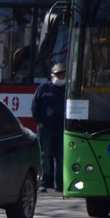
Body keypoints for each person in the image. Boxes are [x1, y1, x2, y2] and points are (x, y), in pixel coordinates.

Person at [32, 62, 66, 192]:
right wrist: (39, 122)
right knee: (44, 156)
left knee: (61, 157)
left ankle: (60, 184)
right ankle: (45, 183)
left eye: (63, 75)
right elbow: (35, 106)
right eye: (59, 74)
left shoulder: (68, 89)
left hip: (62, 130)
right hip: (45, 129)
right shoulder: (43, 88)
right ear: (52, 75)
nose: (61, 77)